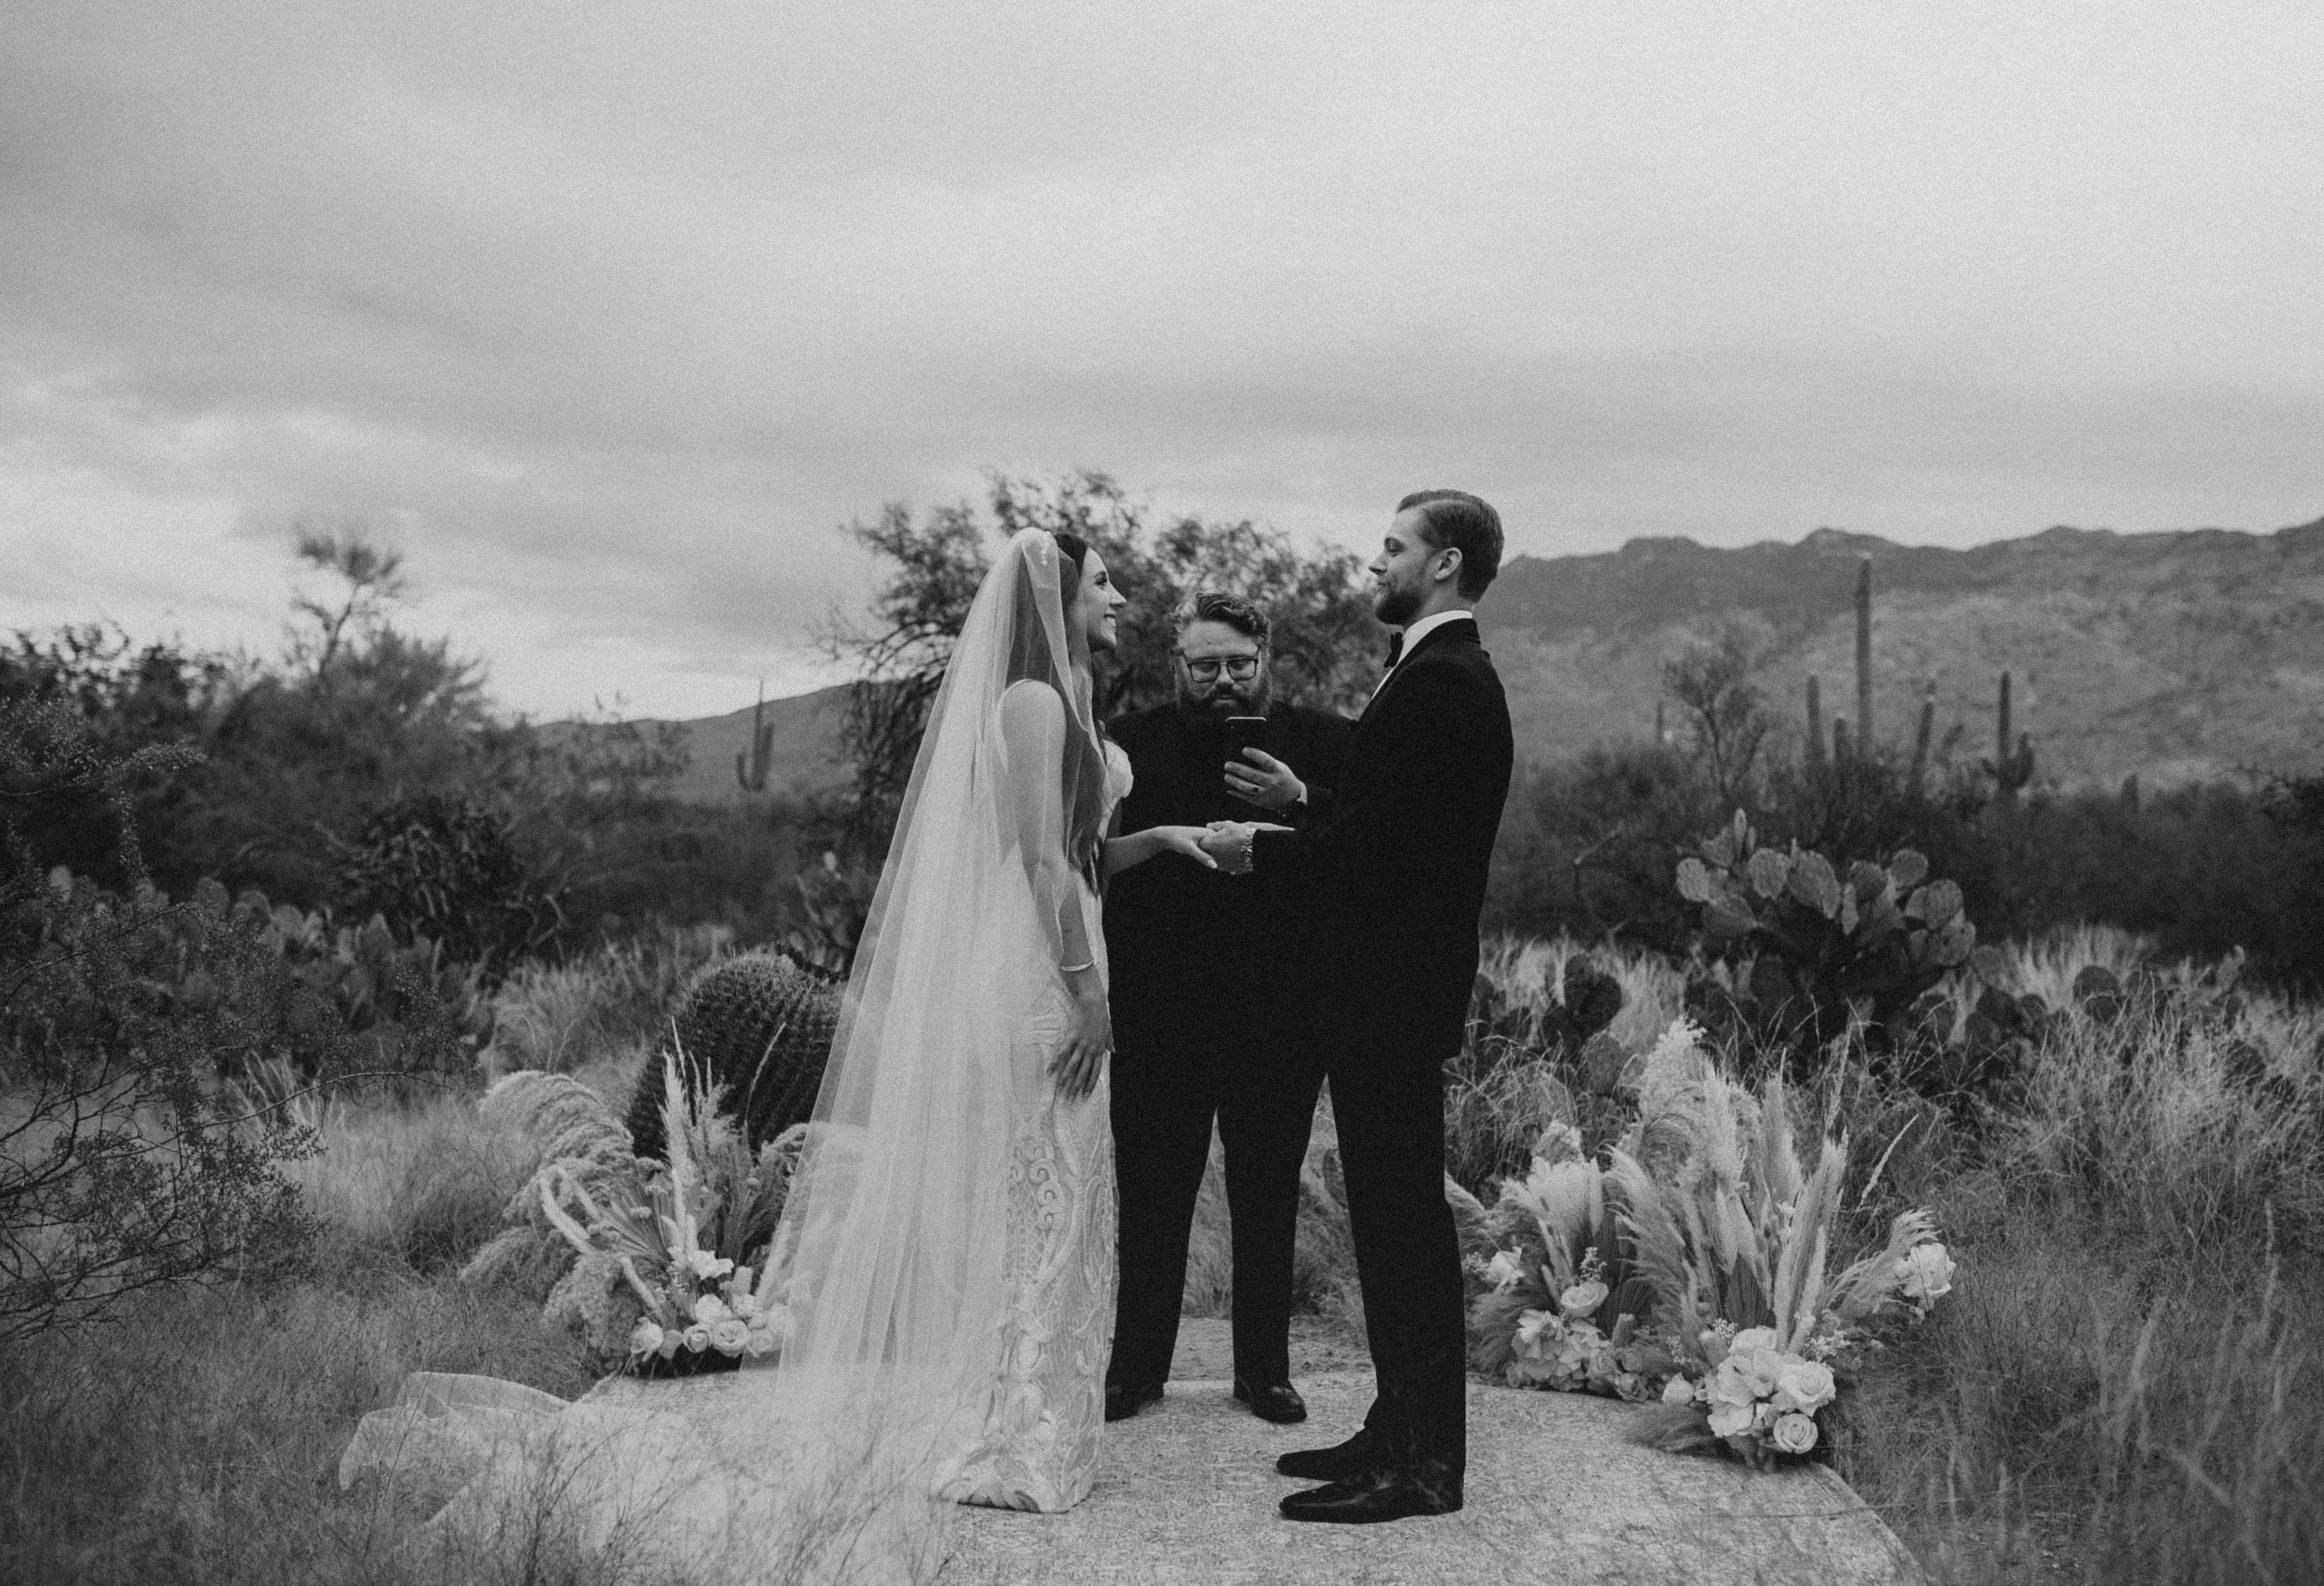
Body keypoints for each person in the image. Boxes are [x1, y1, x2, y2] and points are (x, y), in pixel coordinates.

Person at [341, 530, 1240, 1570]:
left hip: (1067, 949)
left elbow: (1080, 854)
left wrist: (1166, 843)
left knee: (1065, 1196)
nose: (1121, 595)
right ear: (1056, 596)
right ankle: (1015, 1438)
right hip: (1042, 976)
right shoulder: (1033, 704)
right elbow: (1035, 860)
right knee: (1036, 1196)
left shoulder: (1068, 698)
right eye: (1104, 582)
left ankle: (1045, 1422)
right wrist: (1086, 994)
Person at [1229, 490, 1514, 1524]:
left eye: (1392, 548)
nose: (1374, 563)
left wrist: (1257, 848)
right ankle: (1395, 1429)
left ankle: (1427, 1465)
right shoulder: (1435, 674)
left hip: (1391, 996)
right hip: (1386, 994)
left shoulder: (1444, 683)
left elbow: (1382, 864)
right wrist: (1305, 802)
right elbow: (1393, 828)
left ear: (1442, 566)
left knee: (1404, 1228)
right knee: (1390, 1221)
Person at [1100, 592, 1355, 1427]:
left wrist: (1296, 800)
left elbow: (1362, 852)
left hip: (1278, 1013)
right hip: (1157, 1011)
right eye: (1203, 665)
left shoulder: (1321, 740)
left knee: (1267, 1195)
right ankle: (1136, 1368)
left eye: (1237, 665)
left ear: (1265, 660)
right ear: (1176, 663)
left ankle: (1265, 1373)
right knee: (1153, 1196)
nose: (1220, 681)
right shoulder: (1127, 743)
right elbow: (1085, 863)